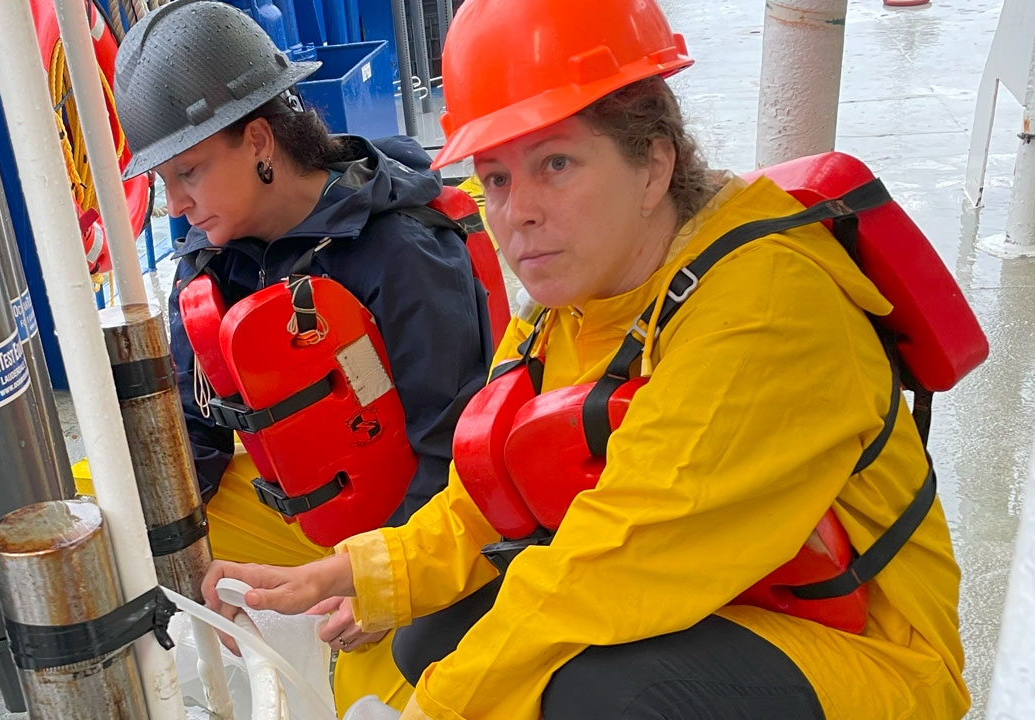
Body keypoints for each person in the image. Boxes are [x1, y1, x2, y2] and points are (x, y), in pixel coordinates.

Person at [200, 0, 973, 718]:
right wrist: (355, 575)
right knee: (430, 632)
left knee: (603, 695)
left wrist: (437, 707)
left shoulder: (768, 310)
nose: (518, 213)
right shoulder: (569, 308)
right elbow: (482, 503)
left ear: (654, 165)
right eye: (496, 178)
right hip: (718, 600)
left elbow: (616, 563)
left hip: (863, 652)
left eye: (556, 164)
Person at [114, 1, 492, 713]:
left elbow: (454, 454)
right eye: (163, 181)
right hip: (298, 503)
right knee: (122, 538)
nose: (175, 205)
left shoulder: (402, 251)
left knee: (385, 699)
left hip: (421, 525)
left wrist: (379, 583)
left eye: (188, 171)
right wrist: (166, 558)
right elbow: (193, 438)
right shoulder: (208, 262)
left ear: (259, 140)